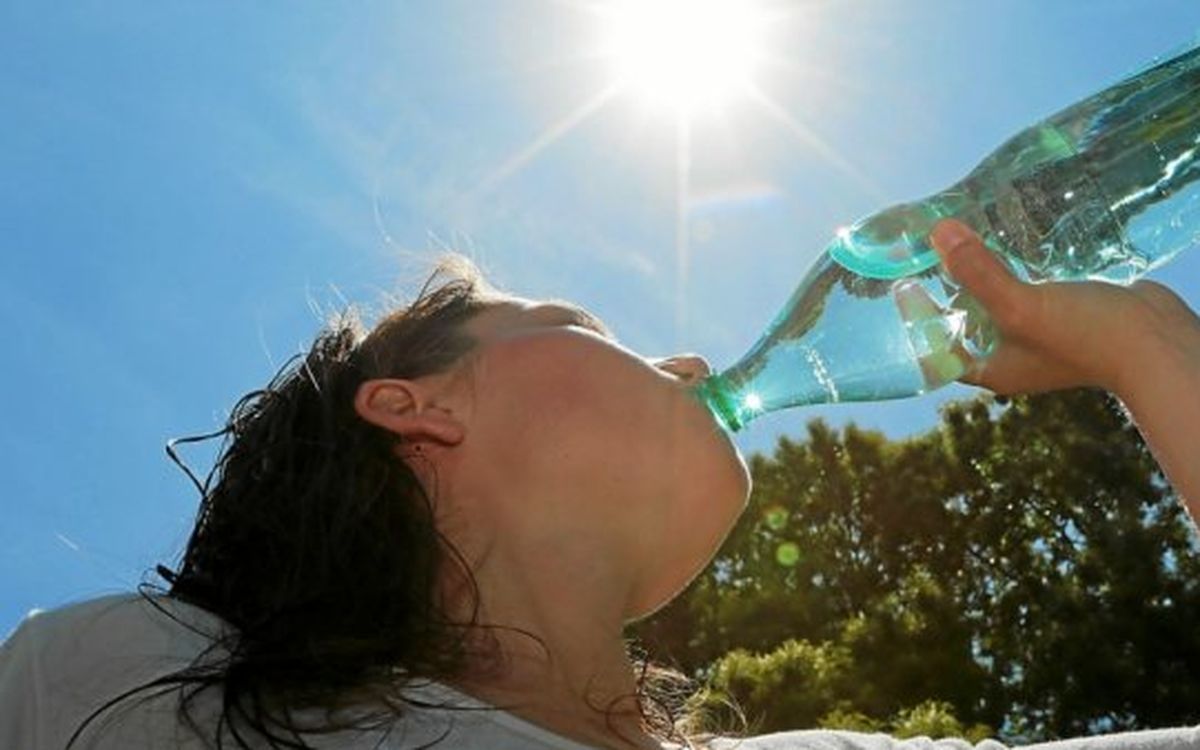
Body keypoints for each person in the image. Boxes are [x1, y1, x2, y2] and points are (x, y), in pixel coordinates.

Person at [2, 220, 1199, 750]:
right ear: (419, 409)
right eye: (584, 324)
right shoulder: (134, 686)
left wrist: (1154, 354)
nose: (681, 360)